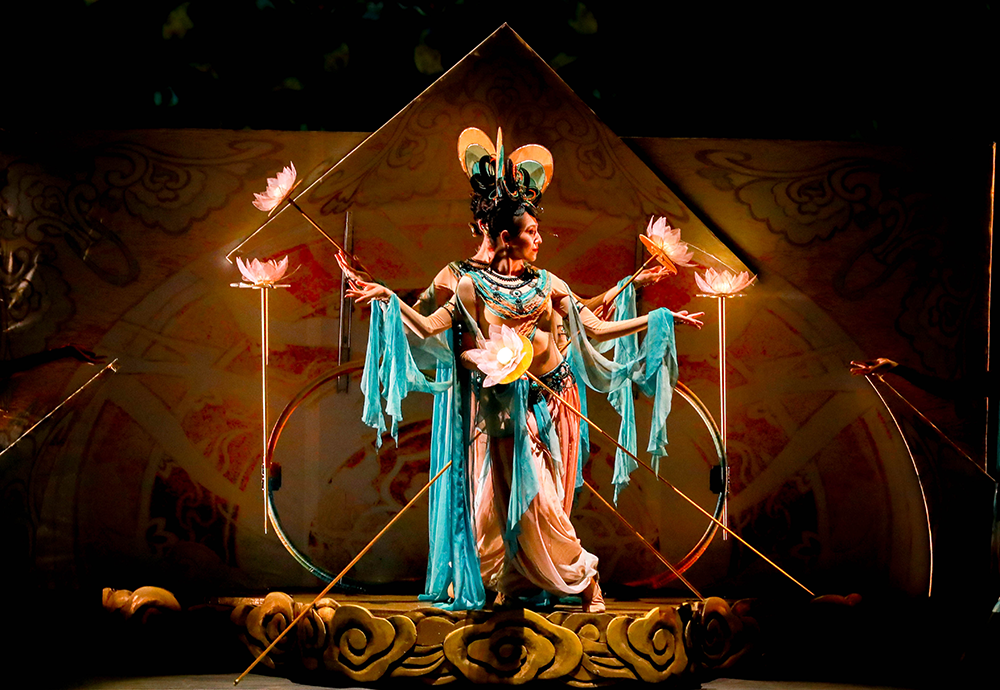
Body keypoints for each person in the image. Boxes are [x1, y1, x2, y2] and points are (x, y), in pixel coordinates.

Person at [340, 130, 702, 611]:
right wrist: (386, 297)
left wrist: (659, 318)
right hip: (497, 405)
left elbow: (591, 325)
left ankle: (576, 578)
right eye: (531, 231)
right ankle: (519, 578)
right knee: (498, 502)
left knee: (542, 500)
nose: (540, 239)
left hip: (549, 399)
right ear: (501, 234)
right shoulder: (467, 283)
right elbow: (429, 325)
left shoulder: (548, 282)